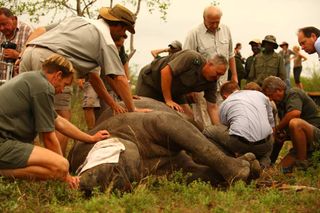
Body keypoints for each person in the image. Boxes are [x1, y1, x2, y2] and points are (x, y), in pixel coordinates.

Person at [0, 54, 110, 189]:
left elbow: (59, 122)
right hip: (3, 143)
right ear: (58, 75)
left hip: (6, 142)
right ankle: (3, 173)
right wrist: (66, 175)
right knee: (60, 167)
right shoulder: (43, 87)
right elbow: (48, 138)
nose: (63, 89)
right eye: (65, 84)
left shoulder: (33, 80)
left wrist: (90, 137)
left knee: (57, 168)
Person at [136, 50, 228, 125]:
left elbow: (212, 107)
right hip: (151, 81)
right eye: (217, 73)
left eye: (221, 75)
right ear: (209, 64)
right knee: (145, 115)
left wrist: (218, 130)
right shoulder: (192, 58)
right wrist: (168, 100)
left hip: (176, 92)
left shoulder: (212, 81)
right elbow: (166, 72)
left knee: (190, 119)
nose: (218, 77)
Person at [183, 5, 237, 126]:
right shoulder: (194, 33)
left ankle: (219, 140)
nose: (214, 25)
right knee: (203, 120)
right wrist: (190, 88)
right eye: (211, 22)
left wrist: (234, 76)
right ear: (204, 19)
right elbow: (186, 61)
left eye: (217, 22)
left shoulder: (226, 30)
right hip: (201, 86)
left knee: (223, 116)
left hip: (223, 84)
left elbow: (231, 55)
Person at [203, 81, 274, 167]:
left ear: (225, 96)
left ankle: (233, 162)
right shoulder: (260, 95)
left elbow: (225, 127)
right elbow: (271, 123)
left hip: (240, 144)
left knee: (208, 131)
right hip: (265, 145)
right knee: (269, 133)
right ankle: (263, 163)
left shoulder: (225, 103)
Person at [262, 76, 320, 172]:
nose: (270, 99)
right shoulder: (280, 103)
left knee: (295, 123)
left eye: (270, 95)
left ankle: (302, 165)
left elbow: (295, 113)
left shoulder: (293, 93)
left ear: (279, 90)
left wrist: (277, 129)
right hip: (303, 146)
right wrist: (280, 134)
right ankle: (269, 164)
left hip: (316, 137)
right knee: (277, 171)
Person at [0, 7, 32, 75]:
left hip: (18, 83)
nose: (1, 28)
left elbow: (34, 59)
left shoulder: (28, 31)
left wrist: (17, 55)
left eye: (4, 24)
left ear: (13, 18)